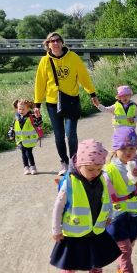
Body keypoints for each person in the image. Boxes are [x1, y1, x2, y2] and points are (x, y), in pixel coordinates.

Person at [50, 139, 120, 273]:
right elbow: (57, 208)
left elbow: (107, 199)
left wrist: (109, 216)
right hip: (75, 234)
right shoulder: (69, 183)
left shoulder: (102, 179)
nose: (95, 173)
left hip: (96, 231)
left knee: (96, 265)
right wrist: (56, 230)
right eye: (90, 169)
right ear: (79, 164)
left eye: (98, 169)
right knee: (72, 265)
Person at [34, 32, 99, 176]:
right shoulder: (44, 61)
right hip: (52, 103)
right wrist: (37, 104)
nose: (55, 43)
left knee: (71, 134)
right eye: (52, 41)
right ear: (48, 44)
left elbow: (84, 77)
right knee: (59, 135)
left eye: (58, 40)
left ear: (62, 42)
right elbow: (40, 84)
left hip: (70, 101)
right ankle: (63, 162)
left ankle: (74, 161)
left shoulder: (73, 58)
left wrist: (92, 94)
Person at [104, 126, 137, 273]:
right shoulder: (109, 170)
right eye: (124, 148)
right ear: (116, 149)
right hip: (117, 217)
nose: (128, 152)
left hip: (134, 215)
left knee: (130, 245)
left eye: (132, 148)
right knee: (125, 248)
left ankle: (121, 267)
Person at [7, 98, 43, 175]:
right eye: (19, 109)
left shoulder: (32, 116)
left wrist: (38, 117)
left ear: (28, 108)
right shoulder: (17, 117)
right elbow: (12, 126)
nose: (21, 111)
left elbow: (38, 124)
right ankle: (26, 167)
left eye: (23, 109)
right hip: (20, 139)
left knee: (29, 152)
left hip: (29, 139)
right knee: (23, 153)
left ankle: (33, 167)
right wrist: (11, 133)